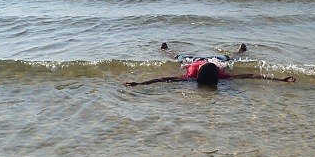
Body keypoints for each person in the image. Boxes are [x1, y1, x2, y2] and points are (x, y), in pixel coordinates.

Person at [125, 59, 295, 86]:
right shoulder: (191, 76)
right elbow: (163, 79)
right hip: (194, 61)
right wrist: (140, 83)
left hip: (212, 61)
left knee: (227, 60)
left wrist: (280, 80)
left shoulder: (220, 74)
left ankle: (239, 52)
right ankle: (167, 50)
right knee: (179, 58)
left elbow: (163, 79)